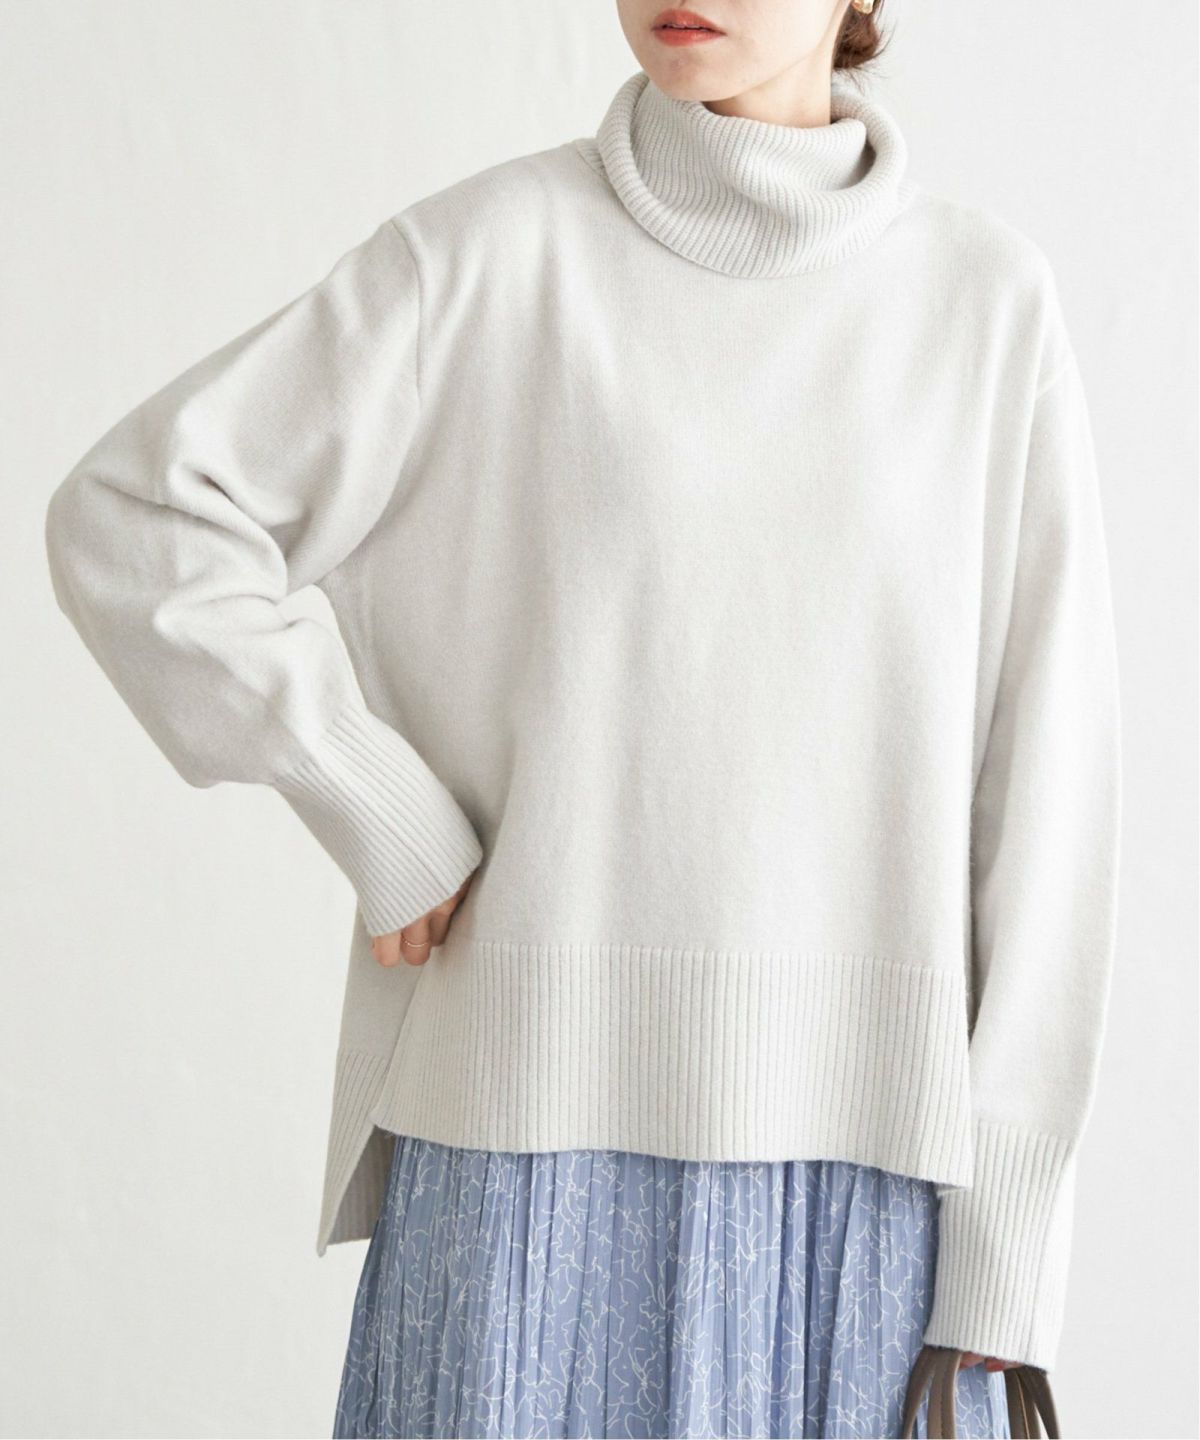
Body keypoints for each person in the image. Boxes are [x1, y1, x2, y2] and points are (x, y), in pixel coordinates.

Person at [43, 0, 1122, 1436]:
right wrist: (370, 797)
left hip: (869, 1211)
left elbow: (1048, 804)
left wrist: (1010, 1248)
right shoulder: (485, 260)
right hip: (515, 1182)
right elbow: (138, 519)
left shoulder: (983, 307)